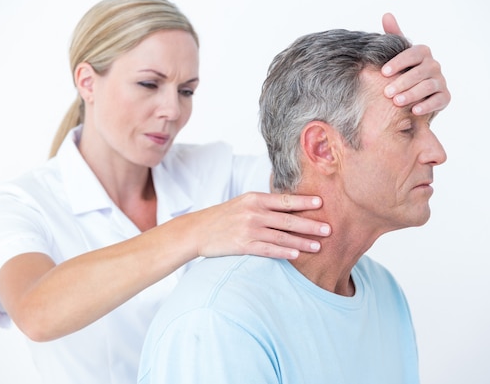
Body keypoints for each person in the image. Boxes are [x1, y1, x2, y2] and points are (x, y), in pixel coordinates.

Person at [0, 0, 450, 384]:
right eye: (148, 84)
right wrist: (195, 232)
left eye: (186, 91)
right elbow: (36, 312)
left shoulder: (213, 169)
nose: (171, 110)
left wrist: (396, 100)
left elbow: (324, 167)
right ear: (87, 81)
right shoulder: (23, 205)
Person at [137, 28, 447, 384]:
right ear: (322, 148)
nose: (437, 153)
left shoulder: (384, 293)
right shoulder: (220, 320)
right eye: (407, 128)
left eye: (429, 126)